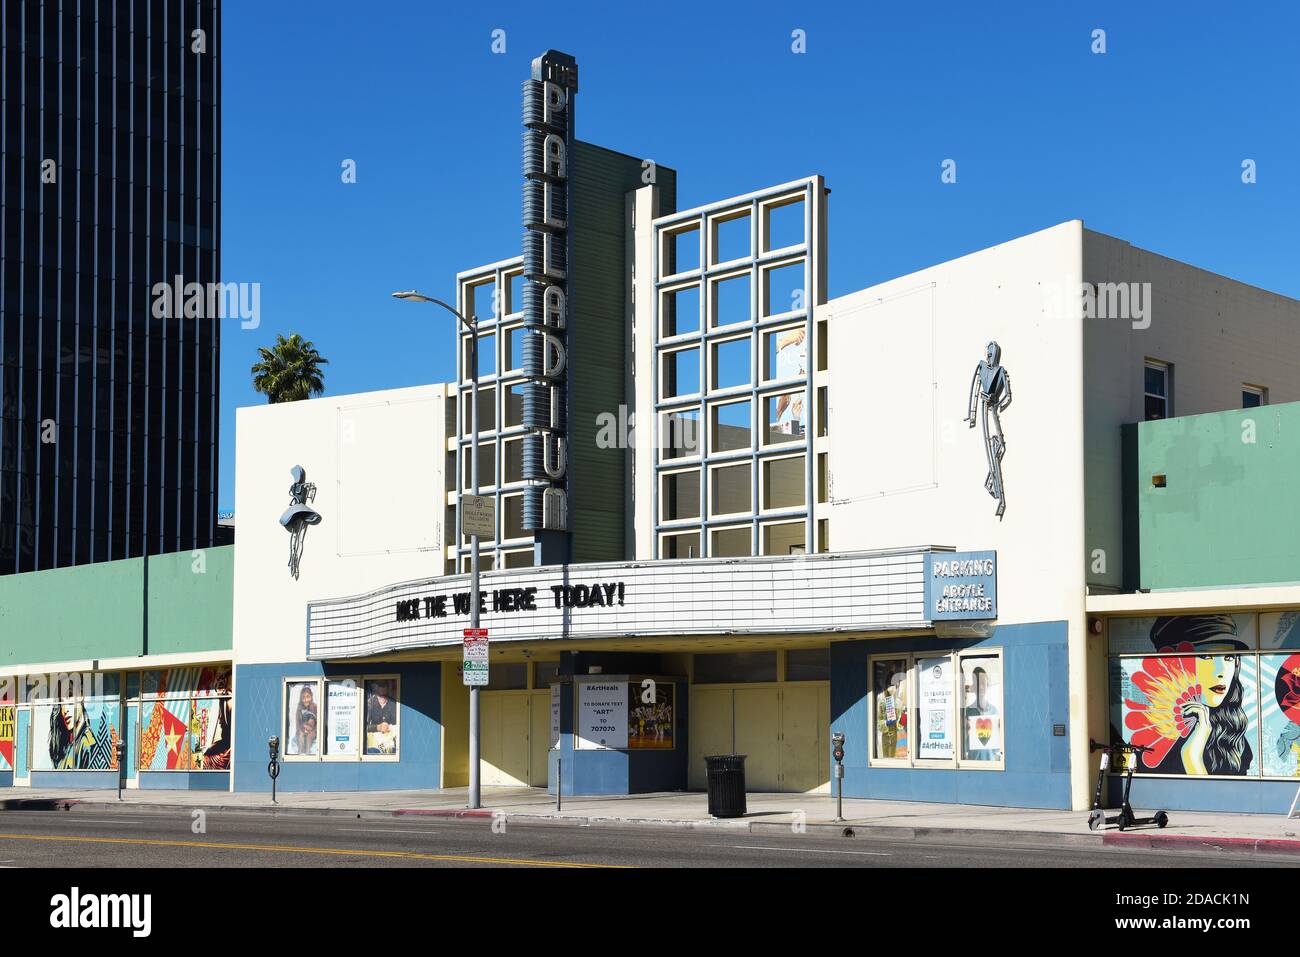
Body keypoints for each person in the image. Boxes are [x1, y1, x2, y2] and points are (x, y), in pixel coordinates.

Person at [963, 667, 1001, 761]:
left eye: (983, 683)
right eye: (977, 683)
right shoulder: (967, 712)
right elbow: (963, 748)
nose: (981, 687)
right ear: (973, 687)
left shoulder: (994, 712)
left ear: (987, 685)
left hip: (991, 766)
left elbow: (997, 749)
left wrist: (1000, 732)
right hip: (973, 766)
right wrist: (966, 732)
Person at [365, 681, 397, 754]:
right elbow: (362, 727)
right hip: (374, 743)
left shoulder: (393, 704)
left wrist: (390, 728)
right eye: (380, 695)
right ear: (376, 691)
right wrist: (377, 727)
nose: (383, 698)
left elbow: (398, 726)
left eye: (385, 695)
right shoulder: (370, 704)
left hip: (389, 742)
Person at [294, 684, 318, 755]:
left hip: (313, 729)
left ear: (311, 697)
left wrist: (309, 728)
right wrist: (301, 729)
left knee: (309, 736)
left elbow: (313, 721)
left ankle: (308, 753)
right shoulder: (299, 708)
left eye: (308, 697)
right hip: (302, 728)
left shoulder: (314, 706)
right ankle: (300, 752)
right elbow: (297, 722)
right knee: (300, 735)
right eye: (303, 698)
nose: (306, 700)